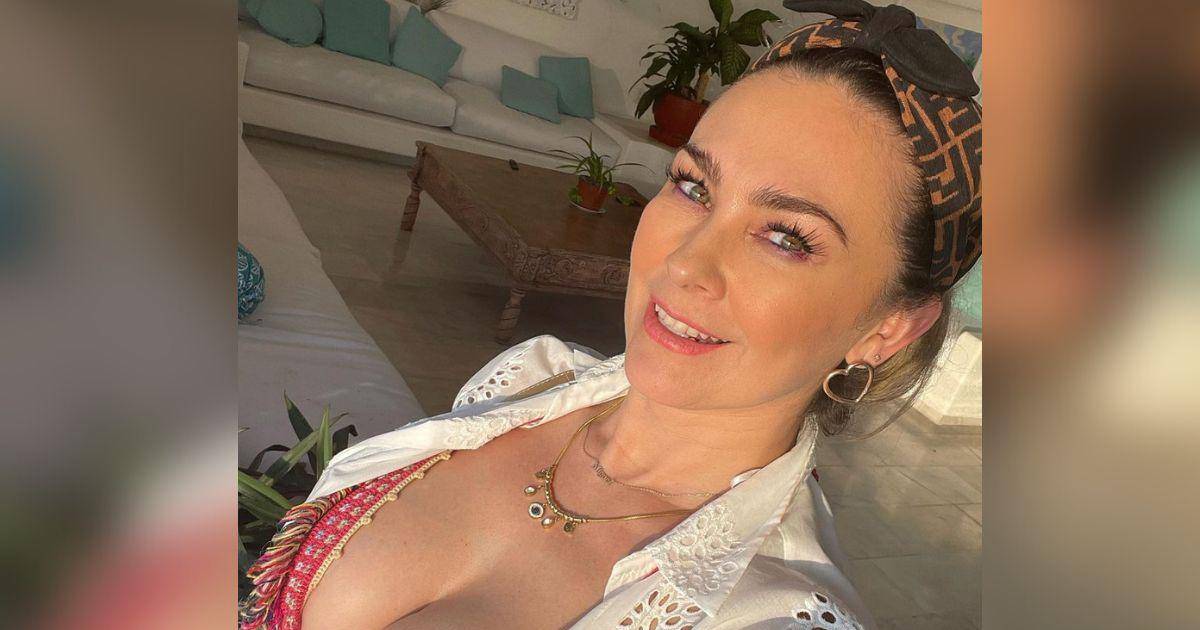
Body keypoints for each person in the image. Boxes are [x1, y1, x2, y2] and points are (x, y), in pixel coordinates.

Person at [239, 1, 982, 628]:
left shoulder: (770, 610)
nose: (684, 263)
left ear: (887, 328)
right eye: (692, 186)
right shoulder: (535, 378)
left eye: (787, 237)